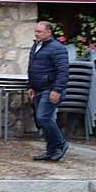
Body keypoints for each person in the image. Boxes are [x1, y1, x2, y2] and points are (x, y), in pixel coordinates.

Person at [28, 21, 70, 162]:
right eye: (36, 31)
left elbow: (63, 71)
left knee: (43, 118)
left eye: (39, 32)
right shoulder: (36, 46)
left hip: (51, 89)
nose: (36, 34)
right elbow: (33, 68)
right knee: (44, 120)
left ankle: (61, 144)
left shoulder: (57, 48)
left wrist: (56, 90)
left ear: (48, 32)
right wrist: (31, 86)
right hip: (39, 89)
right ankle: (51, 151)